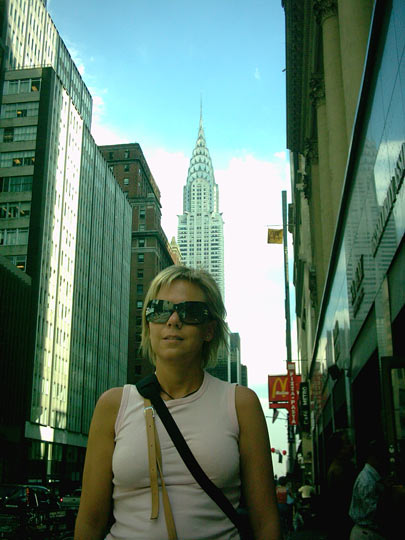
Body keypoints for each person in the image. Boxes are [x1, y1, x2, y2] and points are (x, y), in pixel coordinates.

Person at [74, 265, 282, 539]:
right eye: (160, 310)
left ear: (209, 330)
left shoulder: (241, 404)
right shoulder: (113, 405)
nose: (173, 320)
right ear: (149, 324)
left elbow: (265, 522)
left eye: (190, 311)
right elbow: (90, 521)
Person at [349, 440, 387, 540]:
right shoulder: (366, 481)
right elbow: (374, 512)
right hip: (366, 533)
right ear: (373, 457)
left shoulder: (371, 477)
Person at [325, 429, 357, 539]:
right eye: (347, 443)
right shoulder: (339, 471)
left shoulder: (340, 467)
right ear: (339, 449)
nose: (351, 446)